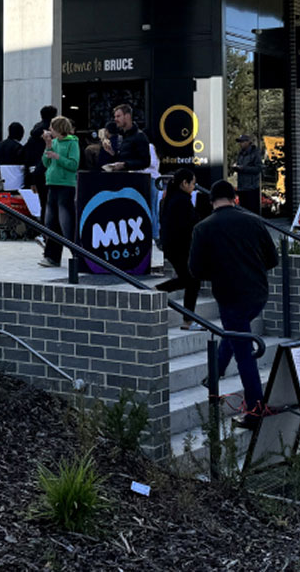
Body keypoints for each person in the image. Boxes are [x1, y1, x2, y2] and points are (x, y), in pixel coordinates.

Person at [188, 179, 278, 428]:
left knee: (243, 353)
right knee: (235, 332)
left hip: (229, 295)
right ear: (234, 198)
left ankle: (255, 410)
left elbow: (195, 270)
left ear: (211, 201)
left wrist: (219, 272)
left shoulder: (203, 228)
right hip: (258, 293)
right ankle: (215, 373)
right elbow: (273, 259)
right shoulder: (254, 221)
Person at [155, 168, 202, 328]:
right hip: (180, 247)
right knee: (191, 281)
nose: (194, 187)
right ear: (184, 183)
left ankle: (187, 320)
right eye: (193, 183)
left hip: (173, 246)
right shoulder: (182, 201)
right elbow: (189, 224)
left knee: (189, 280)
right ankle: (187, 320)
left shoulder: (170, 198)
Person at [36, 116, 79, 268]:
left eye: (52, 127)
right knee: (51, 221)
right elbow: (46, 162)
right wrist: (48, 146)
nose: (49, 130)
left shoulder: (72, 143)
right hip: (52, 184)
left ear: (59, 128)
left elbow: (74, 164)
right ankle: (51, 256)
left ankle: (78, 254)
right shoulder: (53, 142)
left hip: (66, 185)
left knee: (67, 221)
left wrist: (58, 157)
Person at [100, 104, 150, 172]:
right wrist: (112, 152)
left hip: (134, 176)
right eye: (115, 117)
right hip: (122, 176)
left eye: (118, 116)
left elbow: (145, 162)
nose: (115, 119)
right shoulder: (121, 136)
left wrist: (125, 165)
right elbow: (122, 158)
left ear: (127, 116)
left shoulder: (140, 136)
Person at [231, 134, 263, 212]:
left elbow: (258, 168)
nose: (240, 144)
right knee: (243, 210)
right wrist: (236, 167)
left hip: (252, 188)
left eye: (242, 142)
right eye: (240, 142)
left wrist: (243, 168)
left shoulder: (255, 153)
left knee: (252, 210)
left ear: (248, 142)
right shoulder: (241, 153)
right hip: (242, 187)